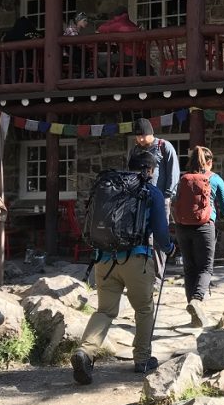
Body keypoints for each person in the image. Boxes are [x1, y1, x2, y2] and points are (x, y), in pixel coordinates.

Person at [71, 150, 176, 385]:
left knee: (105, 311)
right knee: (144, 309)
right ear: (150, 170)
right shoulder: (151, 192)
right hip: (136, 260)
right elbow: (160, 231)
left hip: (104, 259)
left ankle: (85, 352)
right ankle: (142, 359)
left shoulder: (109, 187)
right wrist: (169, 248)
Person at [178, 146, 224, 324]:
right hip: (204, 227)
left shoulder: (183, 179)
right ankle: (197, 300)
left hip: (183, 227)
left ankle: (194, 315)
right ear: (209, 162)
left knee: (189, 268)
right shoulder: (215, 179)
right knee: (205, 268)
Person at [128, 118, 180, 215]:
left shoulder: (164, 146)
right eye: (138, 136)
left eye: (143, 135)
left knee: (160, 229)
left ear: (151, 133)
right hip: (139, 199)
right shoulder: (134, 150)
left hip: (160, 198)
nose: (141, 139)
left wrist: (168, 197)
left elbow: (173, 172)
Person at [97, 6, 146, 74]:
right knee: (113, 57)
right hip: (138, 56)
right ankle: (117, 75)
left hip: (128, 55)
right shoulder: (131, 23)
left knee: (101, 60)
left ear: (116, 15)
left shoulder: (119, 24)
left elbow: (101, 28)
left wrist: (112, 21)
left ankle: (112, 78)